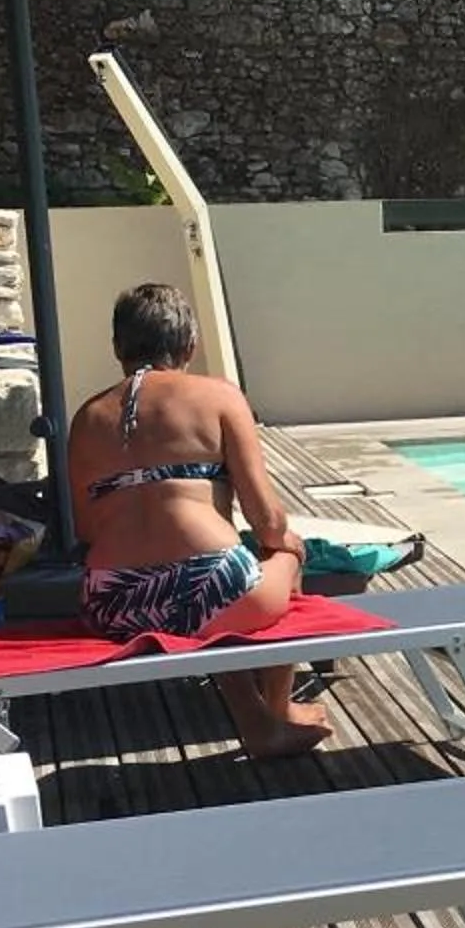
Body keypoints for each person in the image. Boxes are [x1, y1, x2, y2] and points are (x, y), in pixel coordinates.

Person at [65, 282, 326, 759]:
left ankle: (257, 719)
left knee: (198, 602)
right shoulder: (217, 396)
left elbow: (85, 530)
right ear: (189, 344)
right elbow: (266, 520)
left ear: (117, 347)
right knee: (282, 552)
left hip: (111, 600)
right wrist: (284, 541)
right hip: (216, 589)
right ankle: (278, 711)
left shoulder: (86, 416)